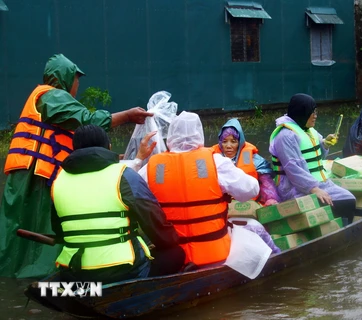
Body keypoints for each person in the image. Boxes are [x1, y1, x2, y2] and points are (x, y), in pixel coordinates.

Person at [0, 53, 153, 278]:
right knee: (33, 229)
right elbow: (86, 120)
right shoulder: (52, 96)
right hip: (36, 176)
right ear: (64, 77)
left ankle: (21, 276)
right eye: (76, 78)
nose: (77, 84)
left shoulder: (51, 100)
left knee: (23, 233)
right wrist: (128, 116)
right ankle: (36, 277)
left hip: (34, 174)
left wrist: (111, 157)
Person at [51, 125, 185, 283]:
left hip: (74, 272)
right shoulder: (124, 175)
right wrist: (170, 241)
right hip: (123, 270)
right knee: (175, 253)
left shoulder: (58, 181)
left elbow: (58, 230)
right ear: (109, 147)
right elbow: (153, 221)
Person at [146, 111, 260, 267]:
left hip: (172, 258)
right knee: (255, 227)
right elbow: (252, 190)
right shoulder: (216, 161)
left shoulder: (153, 166)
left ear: (171, 136)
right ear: (199, 133)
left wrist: (138, 160)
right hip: (214, 256)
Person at [269, 93, 356, 223]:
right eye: (312, 112)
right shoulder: (286, 136)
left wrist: (325, 144)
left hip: (318, 183)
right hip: (295, 188)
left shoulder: (309, 130)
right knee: (340, 204)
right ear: (302, 112)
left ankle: (339, 229)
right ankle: (331, 232)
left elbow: (315, 157)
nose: (315, 116)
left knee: (348, 200)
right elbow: (293, 169)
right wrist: (314, 189)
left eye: (316, 111)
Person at [211, 118, 281, 206]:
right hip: (221, 205)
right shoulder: (213, 157)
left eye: (233, 141)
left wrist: (270, 199)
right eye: (224, 142)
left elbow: (266, 182)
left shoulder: (253, 158)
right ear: (220, 143)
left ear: (240, 142)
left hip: (249, 205)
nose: (228, 146)